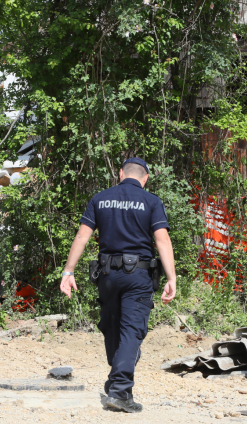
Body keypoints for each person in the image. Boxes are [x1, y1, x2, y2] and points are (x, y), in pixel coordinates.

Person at [60, 157, 177, 413]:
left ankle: (116, 379)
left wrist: (68, 271)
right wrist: (171, 278)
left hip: (107, 274)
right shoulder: (151, 201)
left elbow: (82, 236)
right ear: (145, 179)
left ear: (121, 174)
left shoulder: (100, 198)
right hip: (138, 276)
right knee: (131, 331)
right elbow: (162, 240)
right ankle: (120, 392)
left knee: (112, 327)